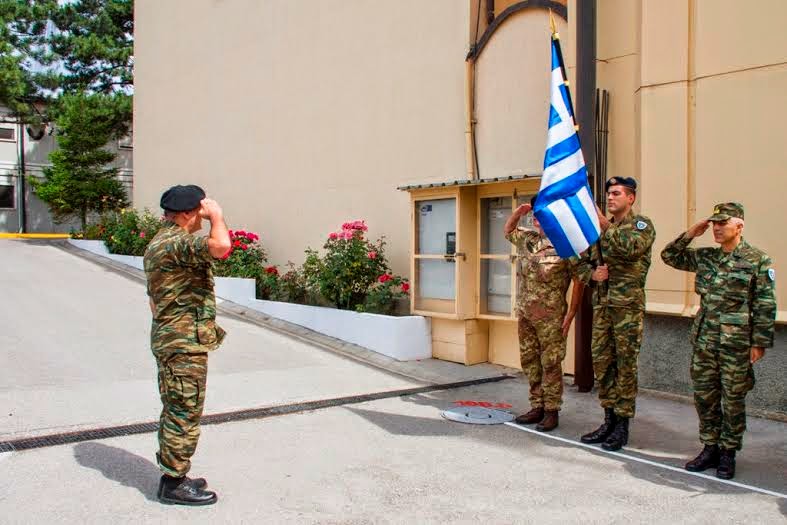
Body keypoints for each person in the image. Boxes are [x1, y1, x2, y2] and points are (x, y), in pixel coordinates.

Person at [661, 202, 775, 479]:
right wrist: (691, 232)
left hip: (736, 343)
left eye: (723, 223)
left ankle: (728, 453)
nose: (717, 228)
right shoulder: (707, 257)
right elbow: (669, 256)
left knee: (733, 399)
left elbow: (764, 303)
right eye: (714, 223)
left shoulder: (757, 259)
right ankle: (710, 447)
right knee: (705, 396)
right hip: (704, 339)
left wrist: (758, 342)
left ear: (740, 225)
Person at [143, 184, 231, 505]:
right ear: (186, 214)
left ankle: (175, 471)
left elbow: (154, 300)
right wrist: (217, 216)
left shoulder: (159, 243)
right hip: (182, 343)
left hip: (171, 336)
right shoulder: (177, 242)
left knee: (177, 405)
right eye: (199, 213)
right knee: (184, 409)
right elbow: (221, 247)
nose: (202, 218)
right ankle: (173, 483)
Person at [579, 177, 655, 451]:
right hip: (602, 307)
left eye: (616, 193)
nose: (610, 198)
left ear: (630, 198)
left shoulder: (641, 226)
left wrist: (604, 225)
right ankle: (608, 419)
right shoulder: (599, 230)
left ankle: (622, 426)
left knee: (625, 367)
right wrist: (592, 275)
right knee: (603, 364)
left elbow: (631, 247)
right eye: (608, 194)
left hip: (627, 309)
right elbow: (580, 261)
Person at [504, 196, 585, 432]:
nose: (538, 219)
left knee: (550, 364)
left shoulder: (565, 244)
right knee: (530, 361)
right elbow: (508, 231)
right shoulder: (529, 239)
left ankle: (551, 411)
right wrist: (518, 212)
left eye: (543, 214)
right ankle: (536, 406)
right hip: (527, 315)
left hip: (551, 318)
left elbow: (579, 280)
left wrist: (571, 314)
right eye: (536, 215)